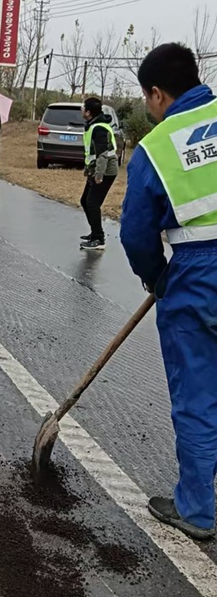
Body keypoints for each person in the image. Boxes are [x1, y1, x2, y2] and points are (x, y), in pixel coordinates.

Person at [121, 42, 217, 542]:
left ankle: (198, 510)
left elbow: (136, 235)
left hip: (201, 274)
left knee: (199, 390)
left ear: (157, 93)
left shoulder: (158, 148)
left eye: (147, 99)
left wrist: (157, 277)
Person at [79, 97, 118, 251]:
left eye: (83, 108)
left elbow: (102, 154)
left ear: (88, 112)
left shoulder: (99, 128)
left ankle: (99, 239)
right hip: (96, 169)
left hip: (105, 171)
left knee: (93, 203)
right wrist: (88, 170)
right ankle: (94, 233)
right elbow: (92, 152)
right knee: (85, 201)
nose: (81, 110)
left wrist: (99, 175)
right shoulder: (93, 125)